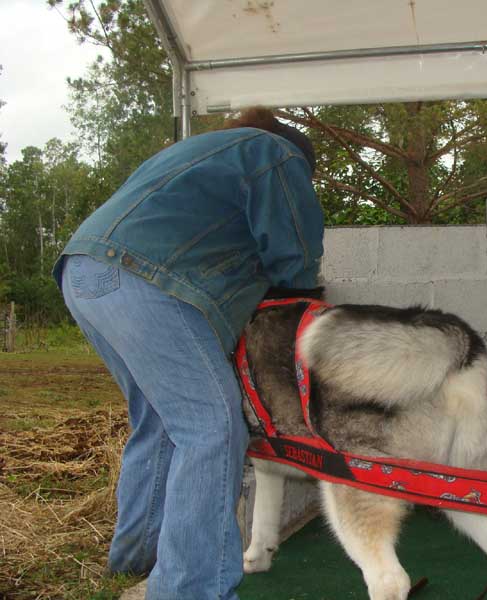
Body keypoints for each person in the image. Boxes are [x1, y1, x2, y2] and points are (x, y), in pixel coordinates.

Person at [52, 107, 324, 600]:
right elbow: (295, 250)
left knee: (159, 421)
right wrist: (307, 302)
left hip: (84, 272)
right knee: (212, 427)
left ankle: (138, 556)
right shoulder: (277, 152)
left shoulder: (194, 154)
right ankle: (191, 588)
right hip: (144, 278)